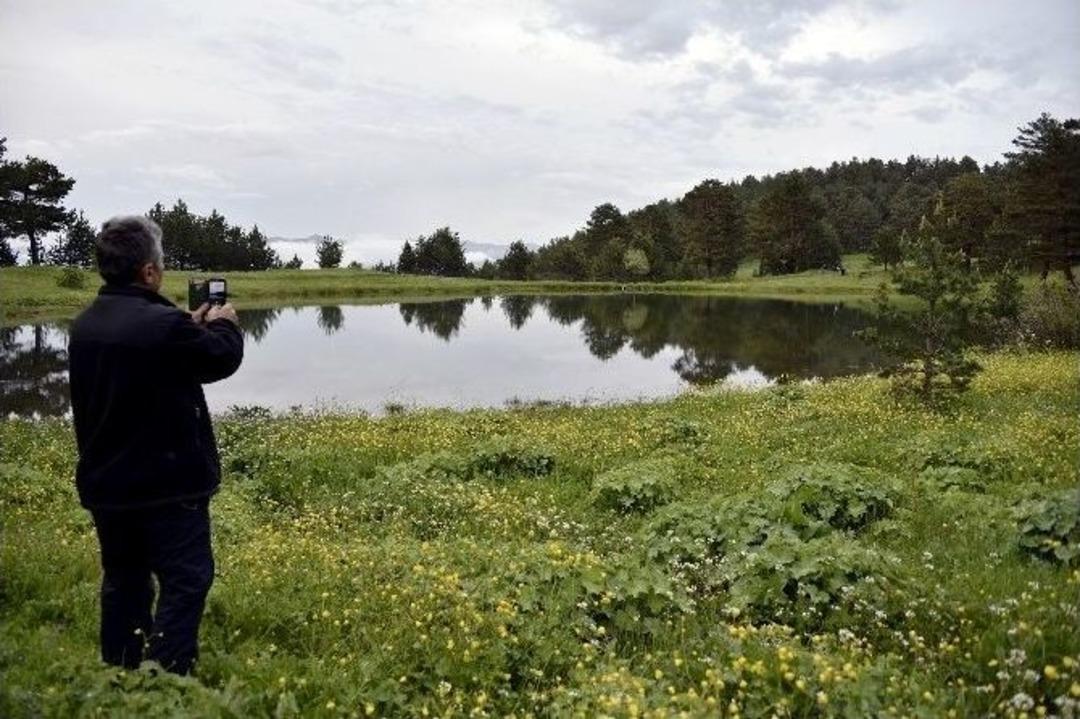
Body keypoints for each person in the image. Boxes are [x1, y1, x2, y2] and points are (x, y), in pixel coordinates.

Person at [67, 215, 243, 674]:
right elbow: (219, 359)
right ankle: (166, 675)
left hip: (109, 483)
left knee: (124, 579)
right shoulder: (163, 327)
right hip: (168, 487)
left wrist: (186, 322)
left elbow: (148, 347)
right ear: (149, 272)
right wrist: (224, 324)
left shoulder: (85, 324)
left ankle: (122, 667)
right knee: (187, 579)